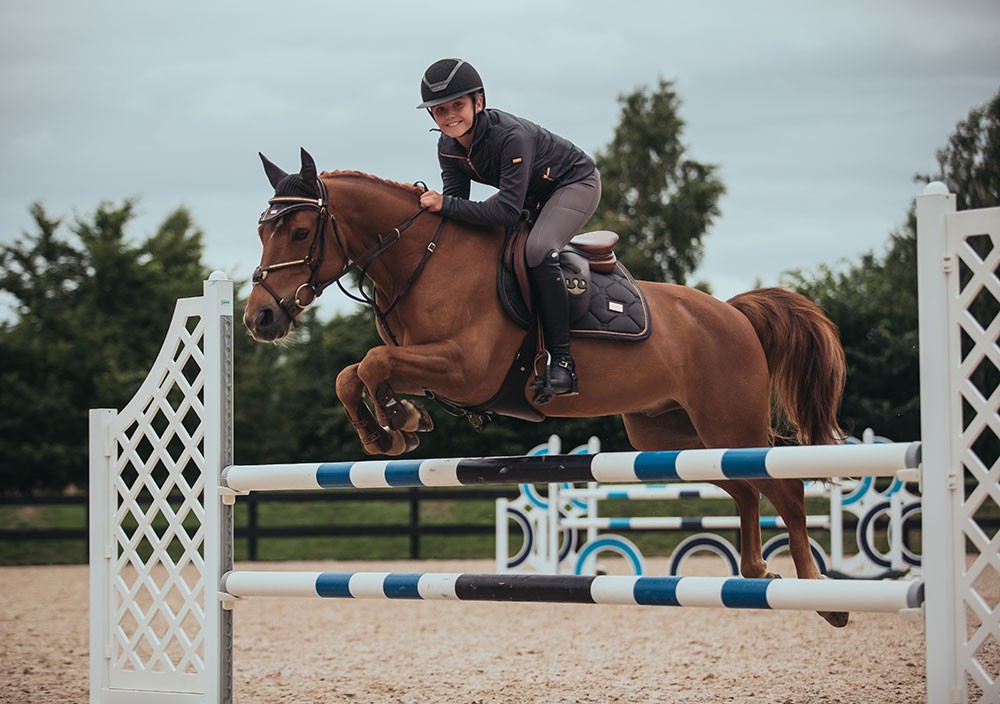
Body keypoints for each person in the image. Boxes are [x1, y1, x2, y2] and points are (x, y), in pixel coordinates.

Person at [416, 58, 602, 403]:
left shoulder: (509, 136)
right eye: (440, 110)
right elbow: (458, 205)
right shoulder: (447, 148)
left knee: (537, 249)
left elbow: (504, 210)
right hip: (532, 196)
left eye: (457, 105)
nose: (449, 116)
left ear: (479, 102)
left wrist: (443, 205)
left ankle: (562, 362)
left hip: (574, 183)